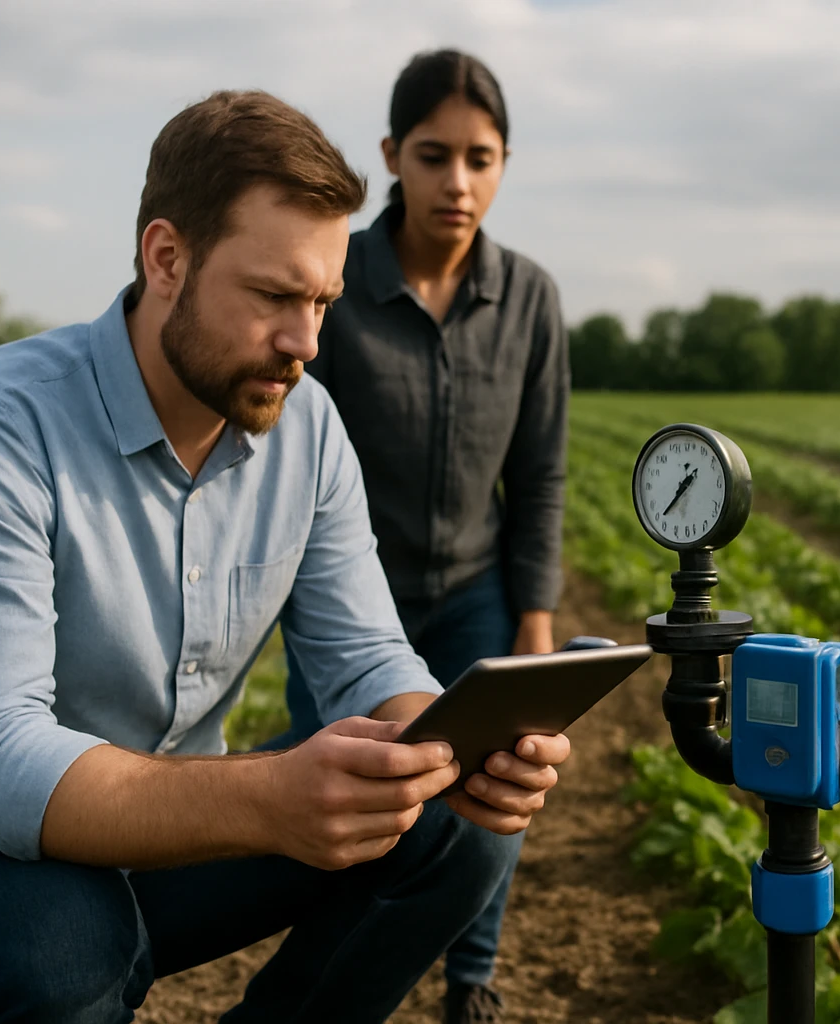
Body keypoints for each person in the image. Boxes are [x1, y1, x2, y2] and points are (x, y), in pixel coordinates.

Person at [0, 90, 569, 1024]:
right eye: (275, 296)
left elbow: (366, 656)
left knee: (454, 826)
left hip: (170, 840)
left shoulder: (306, 428)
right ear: (166, 259)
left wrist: (456, 749)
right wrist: (264, 798)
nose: (305, 343)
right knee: (64, 952)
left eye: (323, 302)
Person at [271, 50, 569, 1024]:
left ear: (504, 163)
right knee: (355, 782)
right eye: (434, 156)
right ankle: (335, 962)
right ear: (393, 155)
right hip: (351, 596)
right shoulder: (337, 282)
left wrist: (534, 615)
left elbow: (540, 472)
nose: (457, 182)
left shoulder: (529, 297)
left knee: (495, 779)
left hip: (477, 582)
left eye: (480, 159)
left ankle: (470, 973)